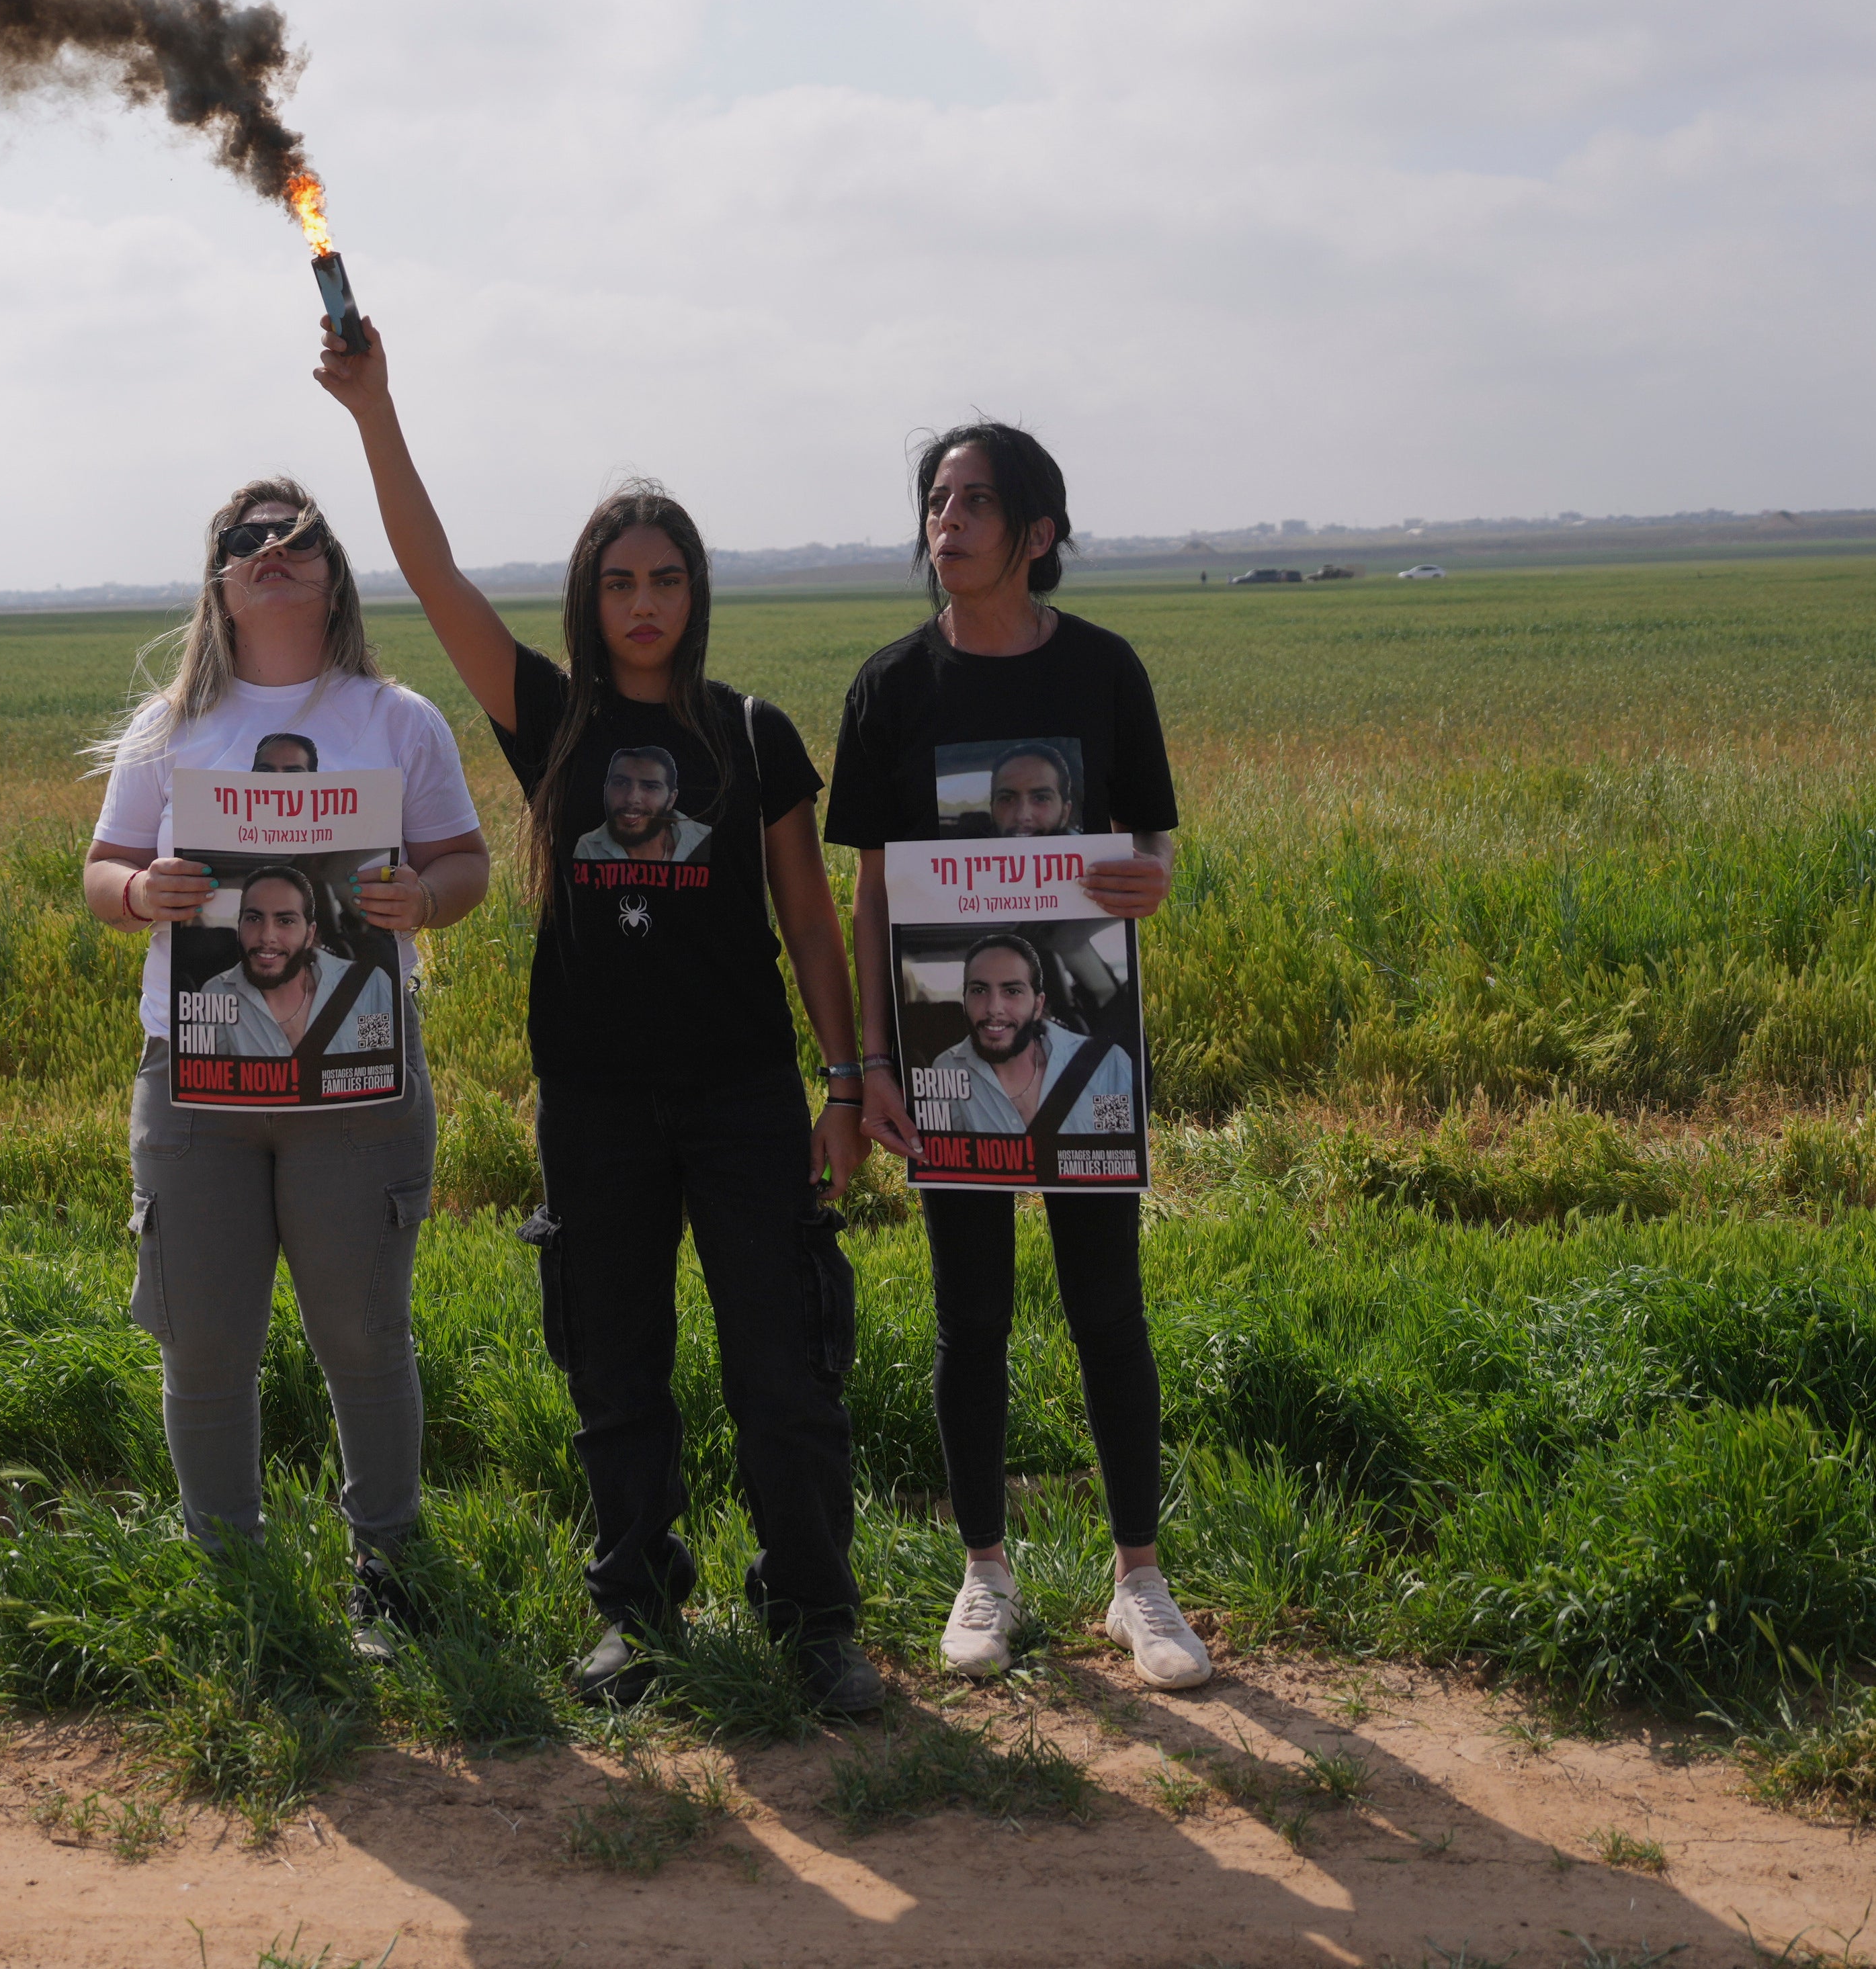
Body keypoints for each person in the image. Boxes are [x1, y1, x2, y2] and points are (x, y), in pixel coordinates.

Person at [317, 319, 886, 1718]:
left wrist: (846, 1078)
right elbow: (434, 577)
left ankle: (816, 1619)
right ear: (589, 595)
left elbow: (810, 922)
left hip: (745, 1097)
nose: (644, 602)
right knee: (615, 1373)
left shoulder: (748, 733)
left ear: (697, 592)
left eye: (666, 578)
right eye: (619, 580)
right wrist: (374, 409)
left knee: (783, 1369)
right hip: (594, 1102)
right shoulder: (552, 718)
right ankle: (637, 1613)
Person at [826, 420, 1210, 1691]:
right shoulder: (892, 686)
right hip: (943, 1053)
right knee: (969, 1314)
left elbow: (1147, 847)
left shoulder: (1104, 669)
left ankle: (1138, 1581)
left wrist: (1147, 877)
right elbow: (873, 893)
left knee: (1109, 1307)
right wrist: (874, 1059)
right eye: (937, 499)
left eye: (974, 501)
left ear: (1037, 532)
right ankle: (984, 1572)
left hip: (1087, 1053)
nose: (946, 520)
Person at [84, 480, 495, 1659]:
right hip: (195, 1083)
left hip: (358, 1080)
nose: (272, 550)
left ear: (333, 571)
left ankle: (389, 1569)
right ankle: (234, 1581)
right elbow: (101, 871)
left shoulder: (397, 719)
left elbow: (464, 863)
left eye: (296, 536)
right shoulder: (169, 726)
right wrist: (141, 891)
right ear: (218, 579)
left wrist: (422, 900)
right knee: (204, 1340)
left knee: (362, 1334)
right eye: (247, 539)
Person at [919, 935, 1134, 1137]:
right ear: (964, 1000)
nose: (993, 1008)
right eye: (979, 990)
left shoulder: (1103, 1066)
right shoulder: (947, 1069)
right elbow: (941, 1154)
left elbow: (1118, 1150)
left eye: (1012, 991)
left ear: (1038, 1005)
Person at [222, 866, 397, 1059]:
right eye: (254, 919)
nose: (267, 936)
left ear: (309, 934)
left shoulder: (365, 988)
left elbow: (382, 1065)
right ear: (239, 926)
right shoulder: (217, 993)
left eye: (285, 921)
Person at [576, 745, 713, 863]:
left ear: (671, 799)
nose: (632, 798)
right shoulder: (588, 848)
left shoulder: (704, 840)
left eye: (650, 787)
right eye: (620, 783)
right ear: (606, 789)